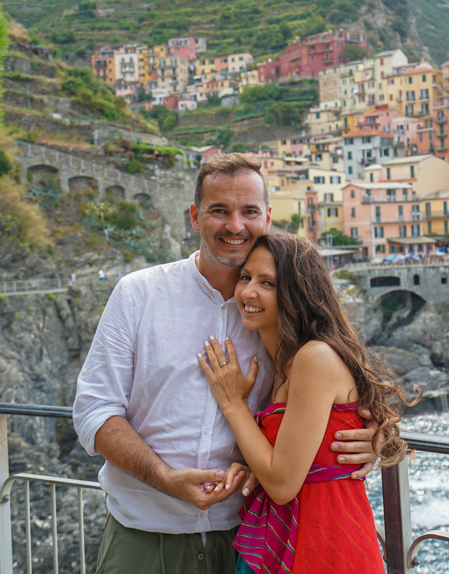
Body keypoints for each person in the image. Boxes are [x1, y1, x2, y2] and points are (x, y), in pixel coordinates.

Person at [72, 154, 377, 574]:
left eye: (249, 212)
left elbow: (340, 389)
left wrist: (374, 436)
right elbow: (94, 411)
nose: (235, 225)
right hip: (144, 538)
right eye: (219, 211)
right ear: (195, 217)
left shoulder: (276, 316)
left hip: (249, 540)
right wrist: (165, 478)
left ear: (267, 218)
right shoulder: (137, 295)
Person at [199, 234, 415, 574]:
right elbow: (297, 459)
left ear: (297, 293)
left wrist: (232, 403)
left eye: (267, 282)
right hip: (302, 539)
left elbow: (283, 484)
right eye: (246, 277)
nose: (248, 292)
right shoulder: (282, 367)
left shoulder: (314, 358)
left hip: (327, 546)